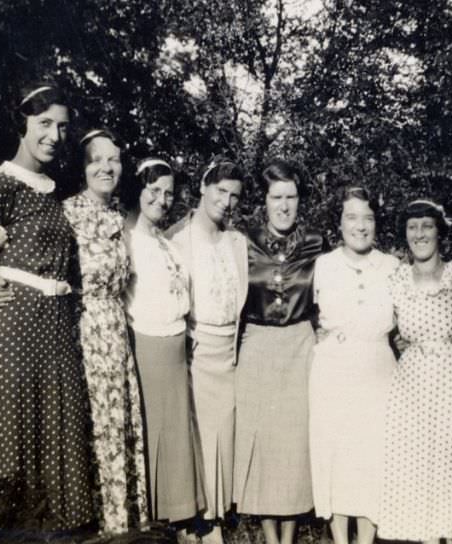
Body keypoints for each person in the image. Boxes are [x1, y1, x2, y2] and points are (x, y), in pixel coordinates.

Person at [0, 82, 93, 531]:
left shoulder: (53, 191)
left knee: (52, 442)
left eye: (62, 127)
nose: (54, 135)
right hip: (13, 336)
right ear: (23, 124)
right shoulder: (2, 183)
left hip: (53, 334)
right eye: (44, 124)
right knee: (9, 451)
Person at [378, 199, 452, 544]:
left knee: (451, 458)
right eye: (412, 227)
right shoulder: (396, 278)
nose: (419, 234)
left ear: (440, 231)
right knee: (414, 462)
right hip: (410, 381)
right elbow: (380, 325)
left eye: (427, 226)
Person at [234, 159, 324, 544]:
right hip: (258, 342)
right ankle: (270, 536)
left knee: (294, 441)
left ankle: (290, 535)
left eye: (291, 197)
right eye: (276, 198)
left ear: (299, 200)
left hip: (301, 343)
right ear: (265, 201)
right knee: (265, 442)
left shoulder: (317, 243)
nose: (284, 206)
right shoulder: (243, 241)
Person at [62, 128, 147, 535]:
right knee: (92, 425)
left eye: (113, 159)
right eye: (97, 159)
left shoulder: (121, 216)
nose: (106, 167)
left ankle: (124, 523)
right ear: (82, 168)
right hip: (82, 333)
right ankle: (91, 523)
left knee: (118, 424)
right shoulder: (66, 213)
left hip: (116, 330)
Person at [309, 186, 399, 544]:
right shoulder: (323, 265)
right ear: (339, 223)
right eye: (351, 217)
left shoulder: (392, 267)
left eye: (368, 218)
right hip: (333, 369)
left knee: (370, 457)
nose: (360, 226)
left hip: (377, 370)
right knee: (336, 455)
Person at [166, 159, 248, 544]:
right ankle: (194, 522)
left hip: (227, 354)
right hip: (195, 353)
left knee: (223, 436)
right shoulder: (177, 240)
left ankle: (215, 518)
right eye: (221, 191)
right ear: (203, 187)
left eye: (234, 196)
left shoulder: (237, 242)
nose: (227, 202)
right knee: (197, 437)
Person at [123, 157, 204, 538]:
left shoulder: (167, 241)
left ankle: (181, 516)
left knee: (176, 432)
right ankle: (153, 517)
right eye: (154, 190)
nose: (162, 199)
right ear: (138, 189)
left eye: (169, 193)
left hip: (175, 345)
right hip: (147, 344)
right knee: (153, 432)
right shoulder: (127, 239)